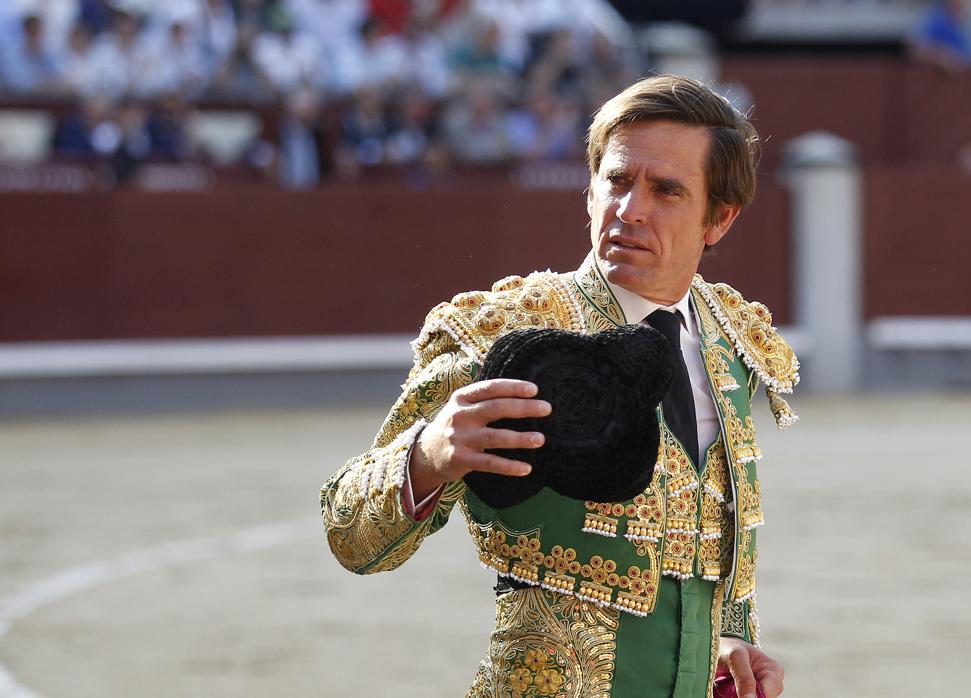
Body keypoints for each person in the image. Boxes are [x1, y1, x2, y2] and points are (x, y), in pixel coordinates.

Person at [320, 74, 797, 698]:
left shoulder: (731, 340)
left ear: (720, 218)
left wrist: (726, 637)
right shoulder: (510, 331)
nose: (631, 210)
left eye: (667, 191)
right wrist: (430, 453)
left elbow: (707, 541)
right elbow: (351, 533)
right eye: (618, 181)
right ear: (589, 190)